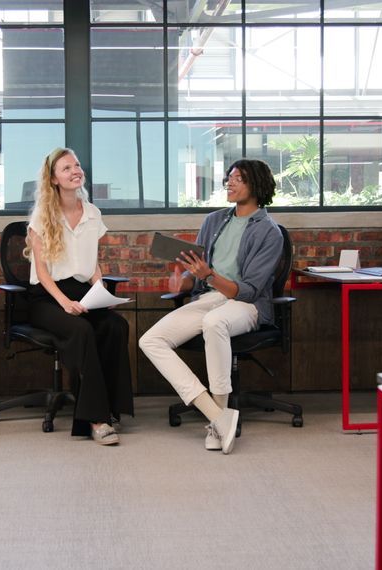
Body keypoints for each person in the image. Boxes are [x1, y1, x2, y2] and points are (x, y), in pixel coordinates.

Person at [139, 159, 283, 454]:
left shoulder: (269, 232)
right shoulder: (214, 221)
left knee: (214, 322)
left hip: (246, 304)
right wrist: (184, 280)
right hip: (210, 297)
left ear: (257, 184)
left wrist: (208, 276)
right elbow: (198, 274)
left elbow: (249, 290)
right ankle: (217, 416)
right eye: (228, 178)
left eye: (238, 178)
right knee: (150, 340)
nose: (230, 183)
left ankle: (219, 419)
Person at [24, 147, 133, 445]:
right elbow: (43, 274)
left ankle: (112, 408)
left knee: (115, 326)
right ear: (54, 179)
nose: (75, 171)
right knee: (83, 330)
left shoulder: (92, 213)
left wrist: (101, 292)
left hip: (82, 292)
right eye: (66, 168)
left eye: (77, 165)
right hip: (47, 298)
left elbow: (92, 262)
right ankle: (96, 420)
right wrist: (64, 303)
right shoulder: (42, 216)